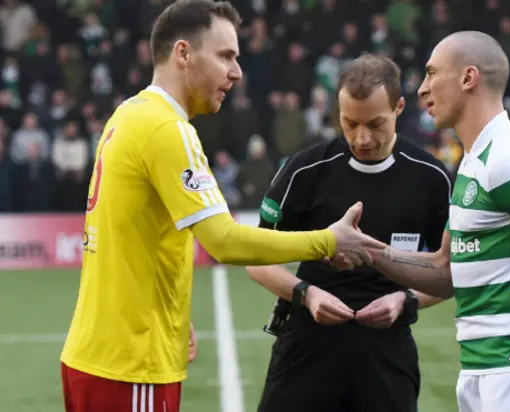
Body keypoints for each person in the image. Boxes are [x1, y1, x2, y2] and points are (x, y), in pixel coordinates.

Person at [59, 2, 384, 412]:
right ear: (183, 53)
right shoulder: (167, 129)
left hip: (99, 353)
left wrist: (168, 314)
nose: (237, 72)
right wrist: (327, 240)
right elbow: (224, 241)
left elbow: (127, 234)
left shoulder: (129, 113)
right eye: (225, 55)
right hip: (129, 363)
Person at [360, 31, 510, 412]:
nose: (423, 89)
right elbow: (446, 269)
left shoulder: (508, 160)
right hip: (490, 368)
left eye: (431, 73)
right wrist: (364, 249)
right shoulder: (477, 161)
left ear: (468, 78)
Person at [247, 54, 452, 412]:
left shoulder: (431, 177)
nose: (361, 137)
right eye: (349, 123)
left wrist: (405, 300)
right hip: (307, 341)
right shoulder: (304, 170)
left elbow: (452, 271)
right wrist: (307, 295)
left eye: (375, 123)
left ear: (399, 107)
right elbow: (257, 260)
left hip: (388, 346)